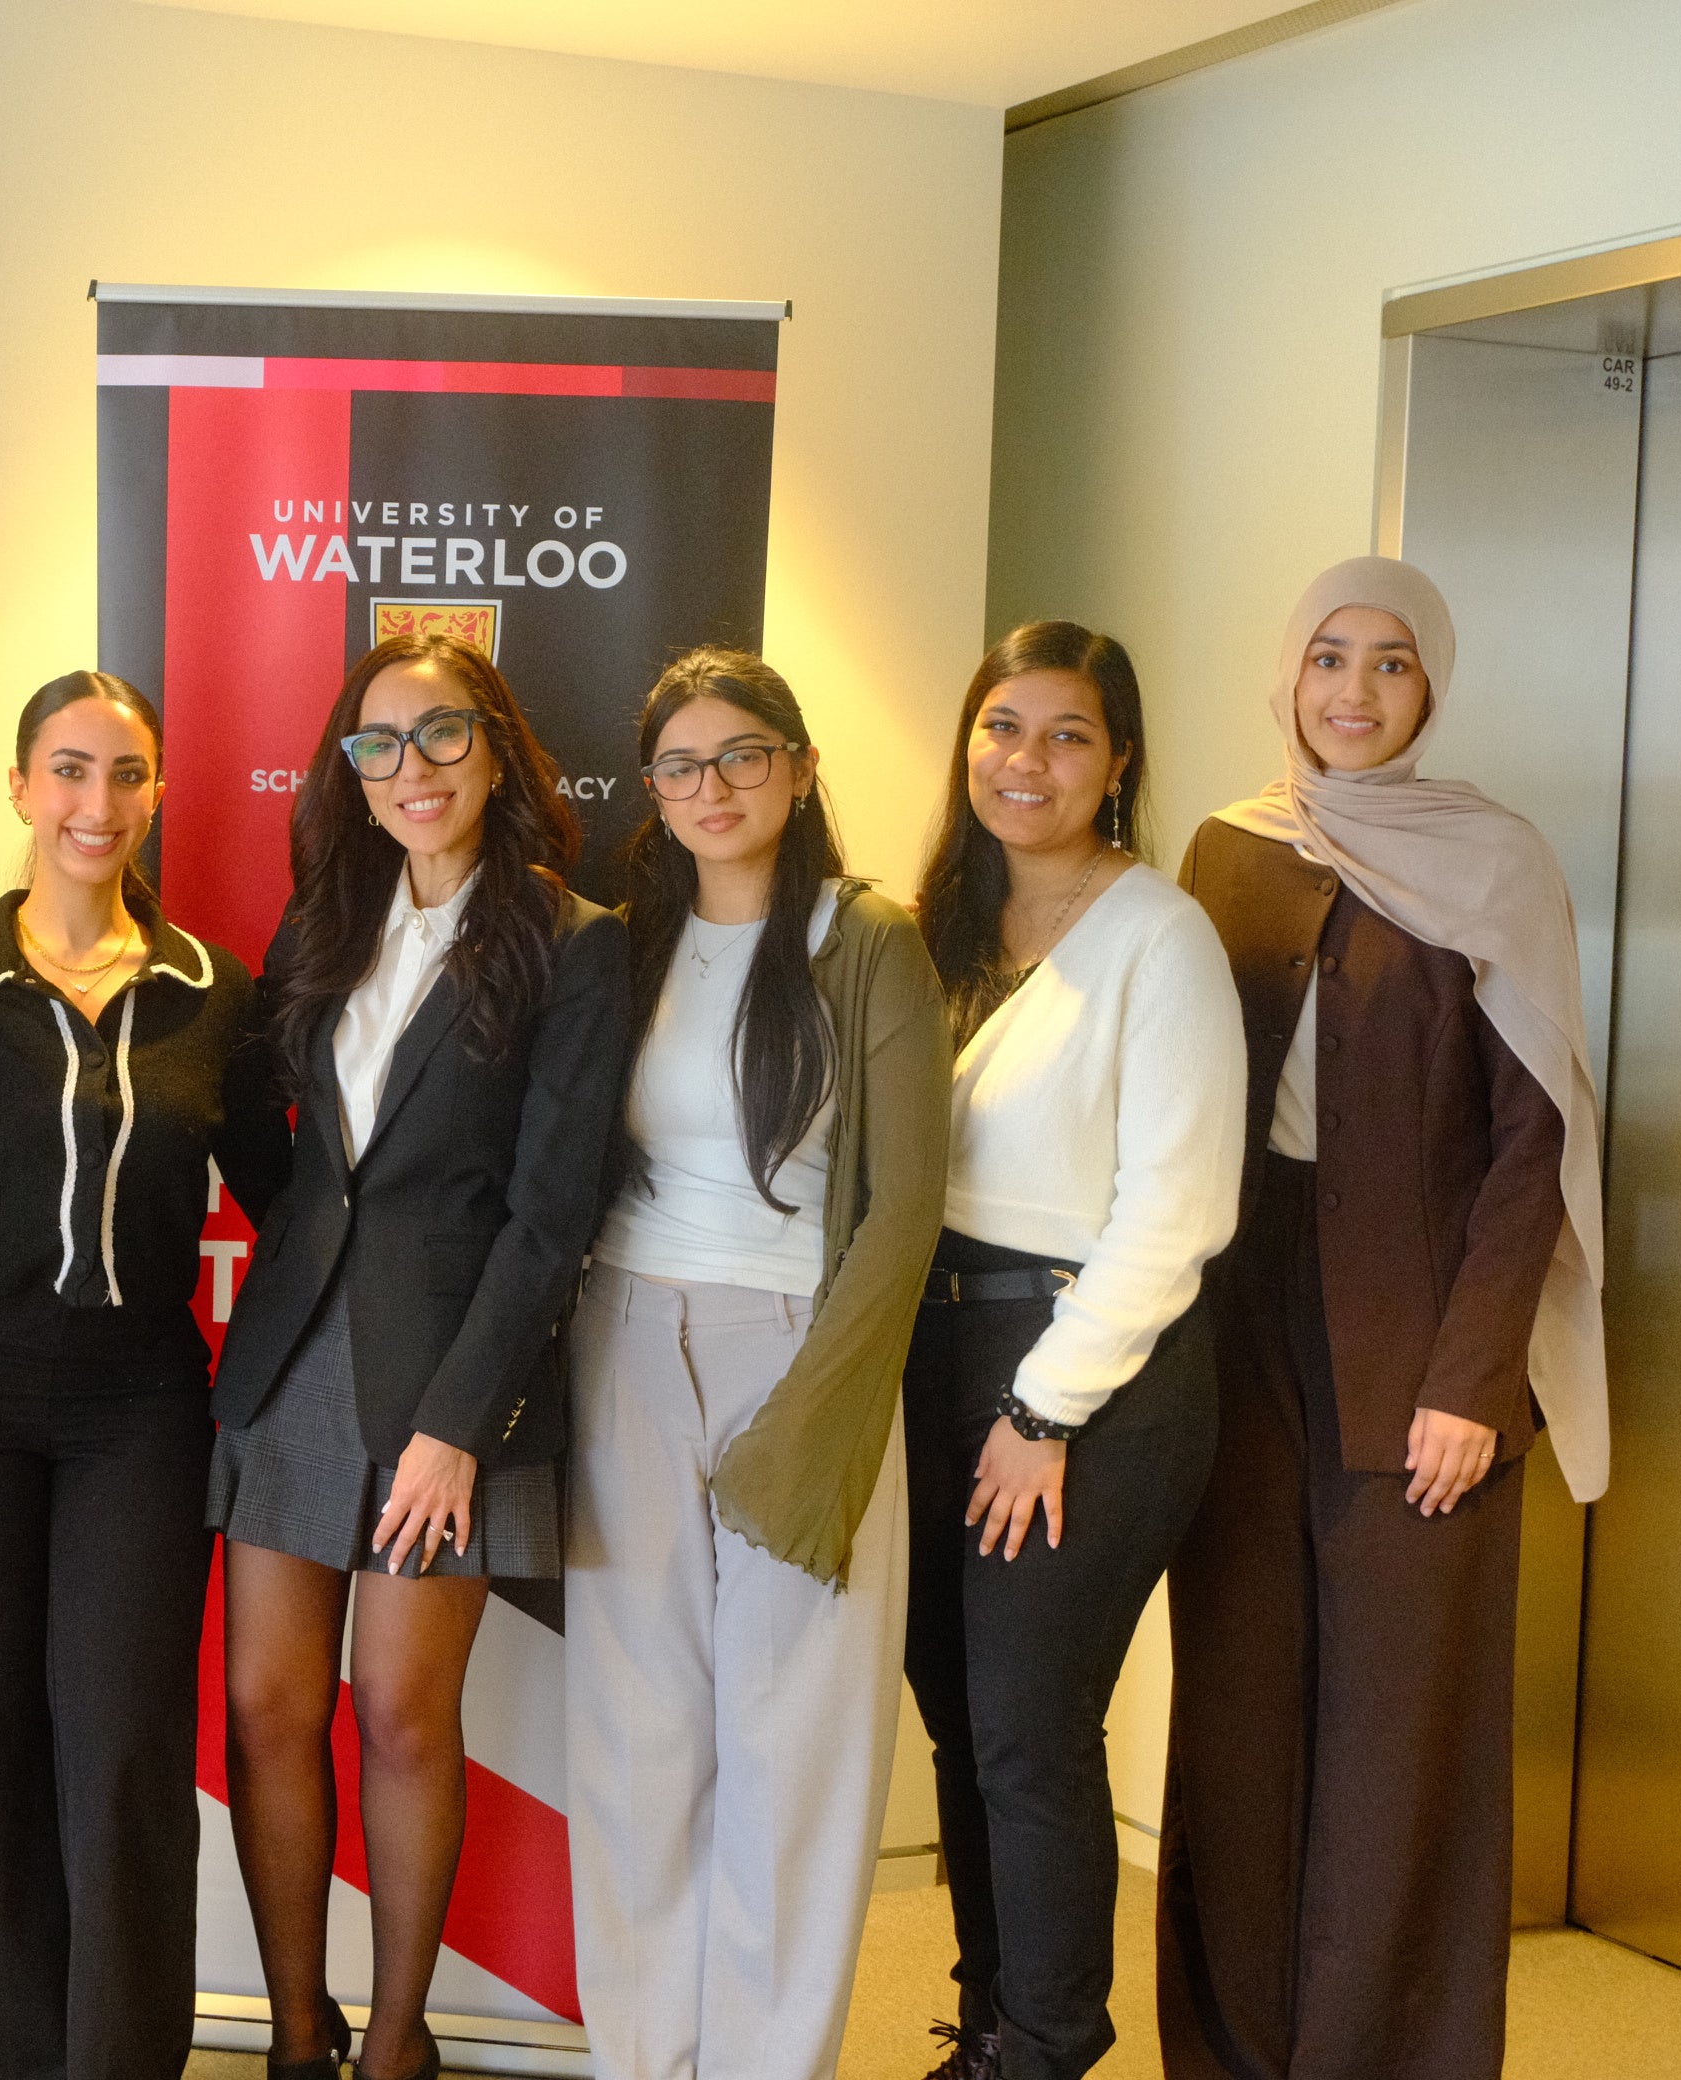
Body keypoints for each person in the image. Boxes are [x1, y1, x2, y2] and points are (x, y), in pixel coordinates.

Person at [1157, 558, 1605, 2080]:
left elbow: (1535, 1143)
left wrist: (1475, 1380)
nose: (1353, 691)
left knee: (1403, 1737)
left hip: (1425, 1338)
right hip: (1231, 1336)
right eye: (1329, 657)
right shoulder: (1227, 849)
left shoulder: (1497, 859)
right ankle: (1230, 2052)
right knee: (1236, 1714)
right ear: (1287, 674)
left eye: (1393, 663)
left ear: (1432, 688)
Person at [0, 671, 287, 2080]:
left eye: (129, 775)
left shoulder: (220, 990)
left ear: (155, 795)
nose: (100, 803)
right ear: (23, 787)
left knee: (125, 1754)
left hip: (140, 1401)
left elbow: (289, 1194)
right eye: (72, 770)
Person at [210, 632, 631, 2080]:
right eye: (378, 745)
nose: (412, 769)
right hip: (294, 1360)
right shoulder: (325, 924)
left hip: (453, 1377)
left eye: (441, 735)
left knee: (397, 1710)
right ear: (350, 772)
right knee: (266, 1708)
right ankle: (291, 2028)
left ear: (498, 747)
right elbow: (293, 1155)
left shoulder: (576, 941)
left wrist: (460, 1422)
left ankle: (397, 2041)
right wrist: (305, 1262)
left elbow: (552, 1211)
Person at [564, 649, 951, 2080]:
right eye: (679, 765)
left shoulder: (867, 941)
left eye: (741, 757)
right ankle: (644, 2062)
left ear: (797, 768)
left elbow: (903, 1208)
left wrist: (811, 1421)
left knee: (792, 1761)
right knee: (636, 1750)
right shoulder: (626, 941)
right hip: (626, 1342)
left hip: (804, 1356)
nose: (710, 788)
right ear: (651, 792)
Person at [901, 622, 1245, 2080]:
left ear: (1119, 764)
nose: (1025, 760)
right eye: (1002, 727)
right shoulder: (934, 931)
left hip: (1083, 1373)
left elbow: (1178, 1209)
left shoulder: (1158, 933)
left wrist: (1041, 1410)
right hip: (934, 1357)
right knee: (957, 1712)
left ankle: (1042, 2048)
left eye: (1065, 735)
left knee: (1030, 1729)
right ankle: (992, 2020)